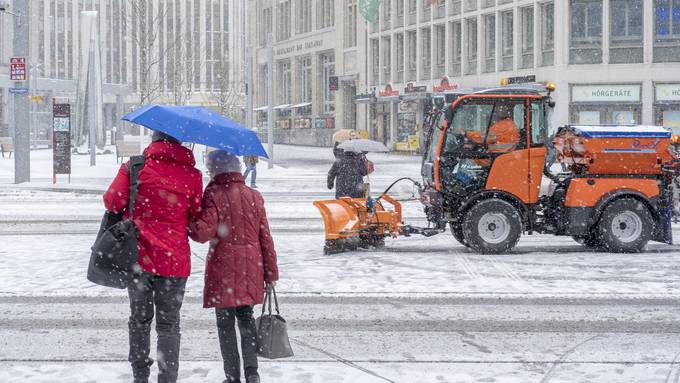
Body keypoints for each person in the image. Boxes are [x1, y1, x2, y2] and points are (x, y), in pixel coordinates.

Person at [103, 131, 203, 383]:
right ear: (180, 142)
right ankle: (167, 378)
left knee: (139, 320)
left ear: (154, 140)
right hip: (174, 262)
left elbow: (112, 202)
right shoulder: (192, 175)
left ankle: (140, 376)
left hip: (139, 259)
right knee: (170, 325)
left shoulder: (135, 166)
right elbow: (194, 215)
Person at [190, 151, 279, 383]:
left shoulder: (213, 194)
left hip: (224, 270)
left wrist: (191, 216)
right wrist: (271, 274)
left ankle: (232, 376)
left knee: (225, 323)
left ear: (215, 169)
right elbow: (265, 238)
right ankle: (252, 374)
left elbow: (202, 232)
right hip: (252, 266)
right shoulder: (254, 196)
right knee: (247, 320)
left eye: (210, 168)